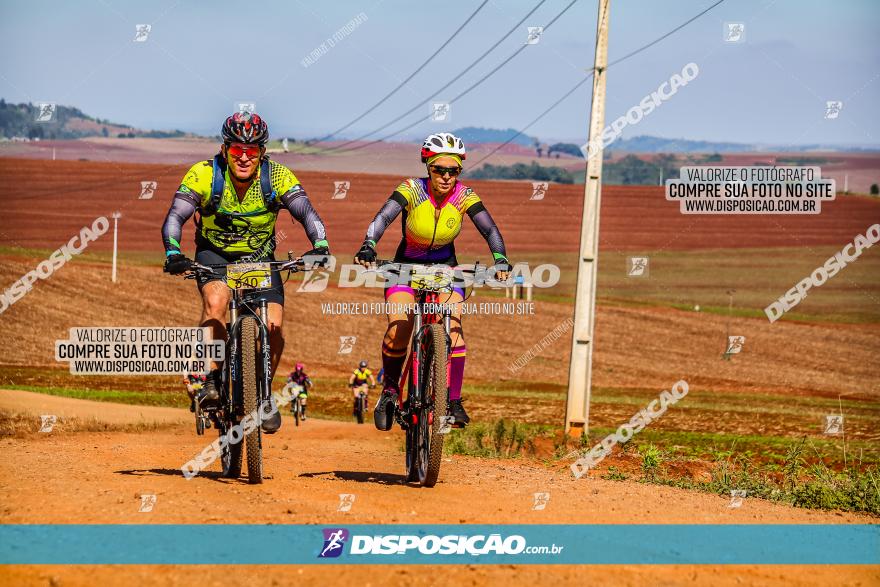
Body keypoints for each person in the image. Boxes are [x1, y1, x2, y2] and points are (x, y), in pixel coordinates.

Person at [161, 112, 331, 434]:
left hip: (260, 259)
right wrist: (173, 250)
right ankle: (212, 379)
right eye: (237, 149)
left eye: (251, 151)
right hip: (215, 255)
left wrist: (320, 245)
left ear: (262, 153)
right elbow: (176, 215)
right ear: (224, 149)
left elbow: (307, 212)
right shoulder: (204, 175)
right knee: (215, 303)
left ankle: (263, 395)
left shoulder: (277, 176)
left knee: (274, 326)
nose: (243, 157)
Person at [354, 132, 509, 430]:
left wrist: (500, 259)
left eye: (454, 171)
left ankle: (452, 400)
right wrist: (369, 245)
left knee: (454, 330)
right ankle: (389, 391)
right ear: (428, 167)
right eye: (440, 169)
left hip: (445, 270)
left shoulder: (465, 196)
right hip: (405, 268)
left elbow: (490, 230)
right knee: (399, 329)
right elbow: (383, 218)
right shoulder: (412, 189)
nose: (447, 177)